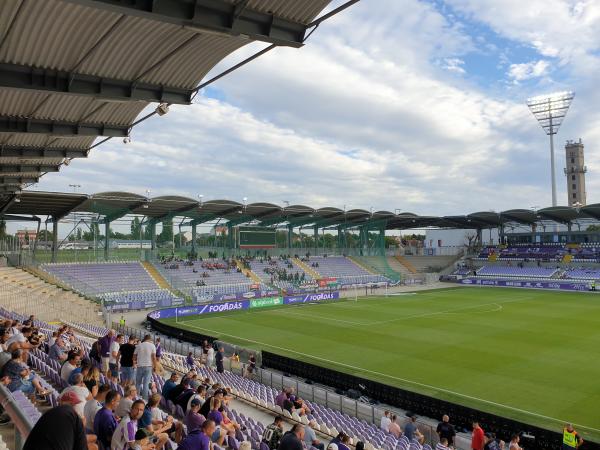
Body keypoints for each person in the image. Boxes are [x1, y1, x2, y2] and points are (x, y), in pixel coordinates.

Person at [22, 394, 90, 450]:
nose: (74, 406)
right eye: (72, 404)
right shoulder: (68, 416)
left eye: (74, 404)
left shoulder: (53, 414)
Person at [134, 334, 156, 400]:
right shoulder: (152, 346)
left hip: (140, 366)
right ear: (150, 339)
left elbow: (134, 356)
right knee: (146, 384)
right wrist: (154, 366)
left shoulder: (139, 345)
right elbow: (154, 357)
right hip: (148, 367)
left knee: (138, 383)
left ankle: (136, 398)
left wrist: (135, 362)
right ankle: (145, 400)